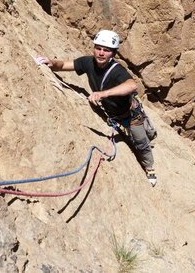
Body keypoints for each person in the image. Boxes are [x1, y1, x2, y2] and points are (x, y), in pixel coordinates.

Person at [36, 30, 157, 186]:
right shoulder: (88, 62)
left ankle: (149, 166)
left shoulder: (117, 70)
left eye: (106, 50)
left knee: (141, 142)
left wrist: (104, 94)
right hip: (112, 112)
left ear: (113, 53)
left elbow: (132, 85)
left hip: (130, 114)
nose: (101, 53)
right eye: (98, 48)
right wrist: (51, 63)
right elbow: (66, 64)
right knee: (132, 136)